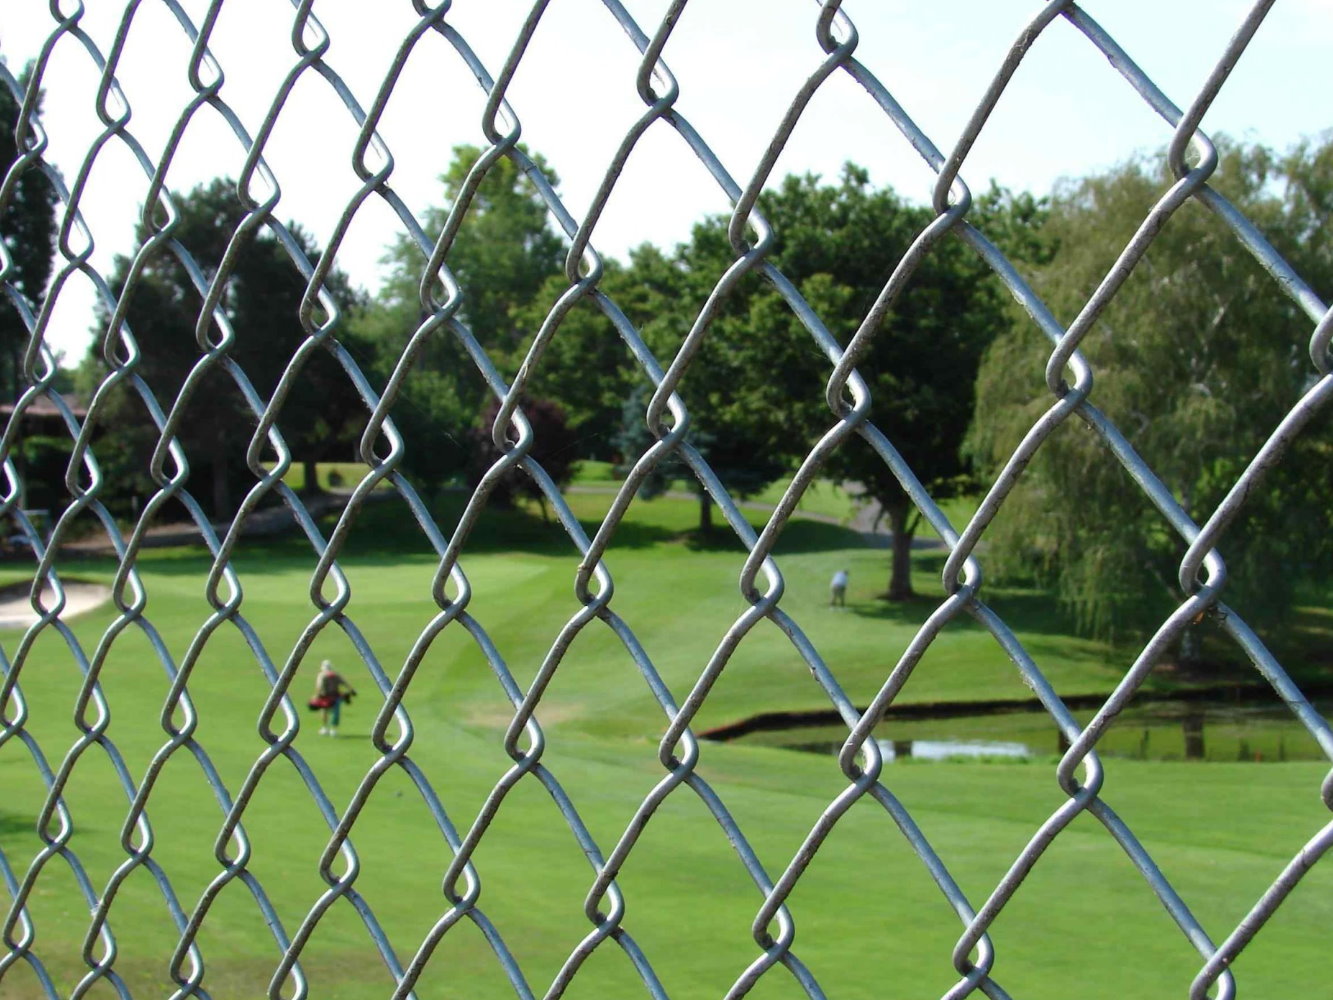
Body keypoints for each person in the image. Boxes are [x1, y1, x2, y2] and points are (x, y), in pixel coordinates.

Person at [310, 659, 356, 736]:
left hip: (324, 696)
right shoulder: (335, 675)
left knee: (324, 712)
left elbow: (319, 686)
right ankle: (333, 730)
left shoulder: (321, 675)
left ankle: (325, 728)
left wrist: (317, 696)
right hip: (335, 696)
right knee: (335, 713)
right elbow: (344, 682)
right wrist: (351, 690)